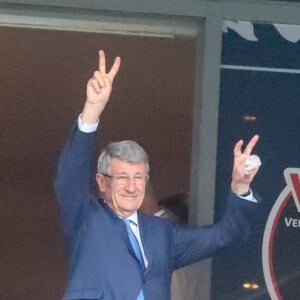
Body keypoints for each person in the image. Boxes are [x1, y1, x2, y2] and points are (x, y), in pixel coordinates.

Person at [55, 50, 261, 300]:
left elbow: (225, 235)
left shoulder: (163, 233)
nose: (132, 187)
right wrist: (91, 111)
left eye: (139, 177)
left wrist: (239, 187)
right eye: (122, 177)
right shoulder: (86, 219)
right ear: (102, 182)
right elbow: (70, 175)